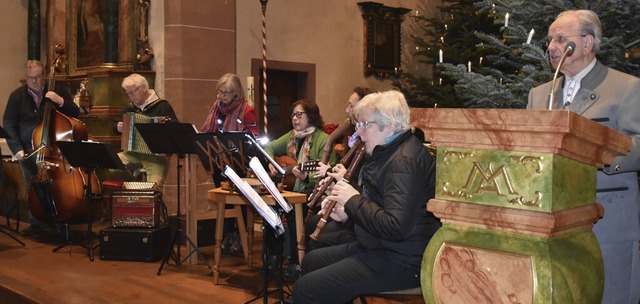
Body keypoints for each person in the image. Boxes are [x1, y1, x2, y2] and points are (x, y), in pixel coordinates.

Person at [527, 10, 640, 304]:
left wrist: (597, 155)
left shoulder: (627, 89)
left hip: (607, 219)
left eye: (561, 39)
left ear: (587, 43)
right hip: (552, 223)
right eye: (550, 39)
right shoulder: (538, 95)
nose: (551, 46)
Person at [292, 90, 441, 303]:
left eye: (364, 125)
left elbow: (396, 226)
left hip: (401, 260)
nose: (358, 133)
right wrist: (347, 212)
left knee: (306, 289)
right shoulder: (387, 151)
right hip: (380, 246)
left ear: (388, 125)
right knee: (312, 261)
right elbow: (380, 205)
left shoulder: (403, 161)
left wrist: (352, 200)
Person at [3, 60, 80, 237]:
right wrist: (17, 148)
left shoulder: (57, 90)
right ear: (26, 78)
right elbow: (9, 123)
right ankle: (36, 222)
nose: (34, 81)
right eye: (30, 78)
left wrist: (60, 101)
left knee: (59, 185)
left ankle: (61, 221)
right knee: (33, 185)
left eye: (38, 77)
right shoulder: (17, 96)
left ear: (45, 76)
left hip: (55, 147)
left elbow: (75, 112)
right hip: (30, 149)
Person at [265, 99, 335, 281]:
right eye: (293, 115)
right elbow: (269, 147)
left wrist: (307, 178)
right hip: (292, 193)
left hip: (314, 198)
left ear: (311, 116)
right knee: (269, 212)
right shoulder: (291, 137)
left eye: (299, 114)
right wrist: (272, 163)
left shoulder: (323, 140)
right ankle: (273, 257)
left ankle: (297, 263)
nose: (295, 119)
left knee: (294, 214)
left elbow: (329, 173)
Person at [304, 87, 375, 252]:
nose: (346, 110)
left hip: (359, 215)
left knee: (319, 236)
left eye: (351, 106)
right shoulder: (354, 138)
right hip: (349, 206)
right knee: (312, 223)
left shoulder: (371, 144)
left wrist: (337, 176)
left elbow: (365, 184)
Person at [200, 73, 259, 256]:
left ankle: (241, 237)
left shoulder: (246, 110)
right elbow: (207, 129)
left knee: (238, 200)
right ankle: (229, 234)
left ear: (235, 93)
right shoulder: (216, 108)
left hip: (238, 162)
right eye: (220, 92)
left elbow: (254, 138)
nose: (221, 96)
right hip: (217, 160)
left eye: (226, 93)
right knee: (223, 200)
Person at [114, 73, 178, 190]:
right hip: (133, 153)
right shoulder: (130, 108)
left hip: (156, 157)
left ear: (144, 88)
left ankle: (146, 193)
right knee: (114, 164)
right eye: (128, 93)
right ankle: (137, 188)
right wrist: (118, 127)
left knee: (153, 188)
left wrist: (165, 128)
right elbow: (115, 126)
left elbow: (176, 130)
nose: (131, 96)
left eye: (133, 92)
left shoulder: (162, 106)